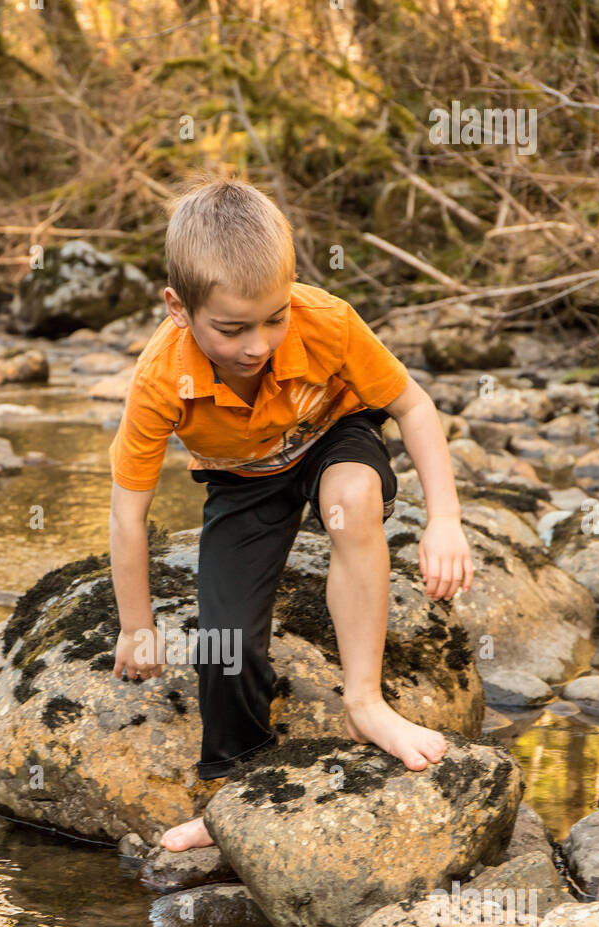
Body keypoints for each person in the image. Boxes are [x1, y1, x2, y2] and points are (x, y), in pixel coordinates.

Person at [109, 174, 473, 852]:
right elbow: (129, 515)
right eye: (233, 328)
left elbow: (413, 406)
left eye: (274, 317)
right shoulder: (160, 379)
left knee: (354, 501)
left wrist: (444, 518)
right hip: (242, 482)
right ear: (177, 309)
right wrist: (136, 626)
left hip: (332, 441)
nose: (258, 344)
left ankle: (365, 705)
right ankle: (233, 790)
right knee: (227, 647)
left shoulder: (325, 320)